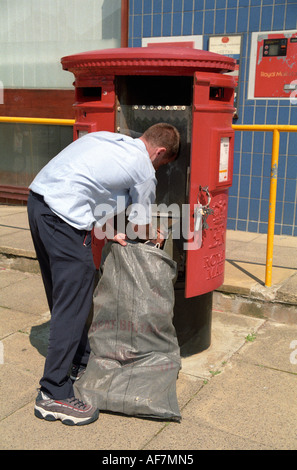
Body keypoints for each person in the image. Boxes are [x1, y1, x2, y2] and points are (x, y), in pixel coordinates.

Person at [27, 123, 180, 426]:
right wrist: (156, 232)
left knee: (62, 297)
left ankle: (78, 362)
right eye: (162, 164)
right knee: (74, 306)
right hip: (64, 220)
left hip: (38, 204)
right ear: (160, 152)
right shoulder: (144, 169)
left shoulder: (109, 140)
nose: (158, 169)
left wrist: (107, 230)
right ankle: (53, 393)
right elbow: (140, 222)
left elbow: (88, 184)